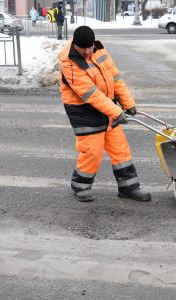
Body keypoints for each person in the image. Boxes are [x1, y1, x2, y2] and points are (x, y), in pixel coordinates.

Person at [57, 26, 151, 203]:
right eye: (82, 48)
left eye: (89, 47)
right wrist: (116, 112)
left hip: (108, 109)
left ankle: (129, 188)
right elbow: (91, 94)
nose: (86, 52)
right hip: (85, 112)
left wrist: (127, 102)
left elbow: (115, 78)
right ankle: (80, 186)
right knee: (92, 151)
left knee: (120, 149)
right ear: (75, 45)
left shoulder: (99, 51)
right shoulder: (69, 64)